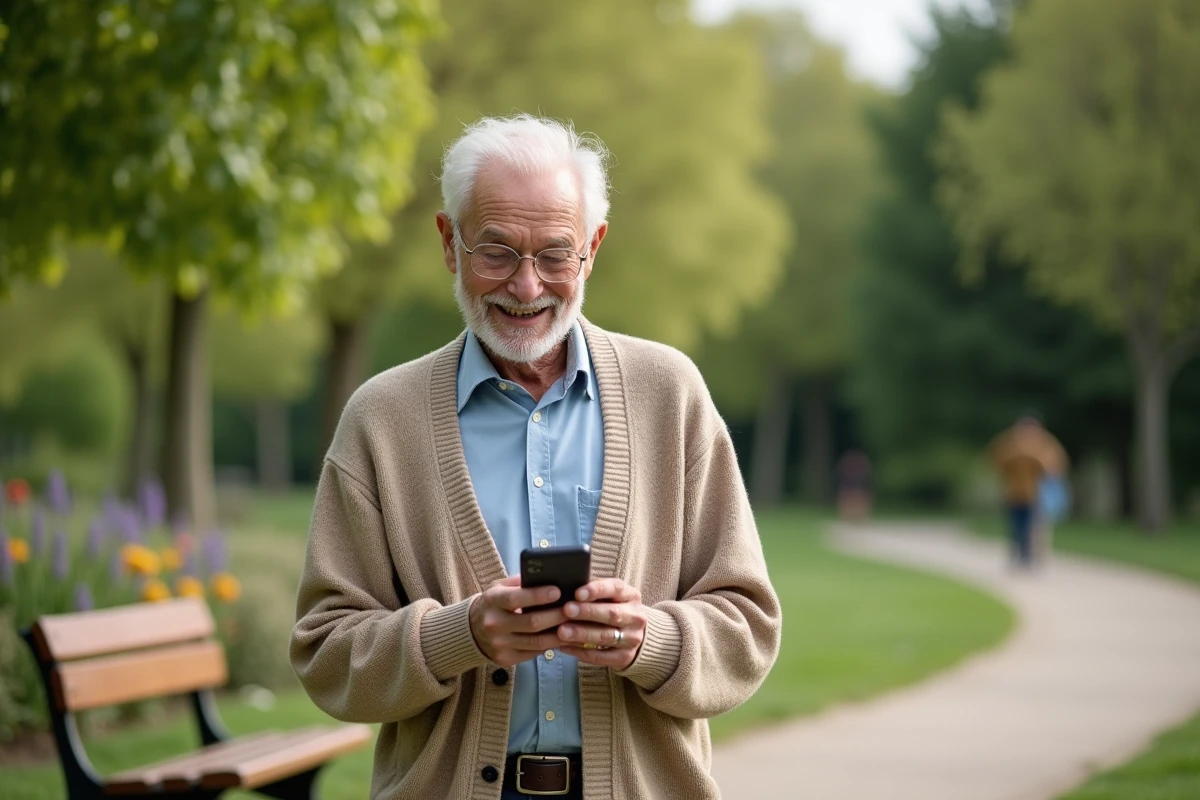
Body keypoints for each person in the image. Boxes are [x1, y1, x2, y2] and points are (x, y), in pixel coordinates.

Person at [290, 115, 782, 800]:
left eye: (555, 254)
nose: (526, 287)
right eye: (495, 251)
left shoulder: (670, 395)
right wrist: (454, 635)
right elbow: (325, 652)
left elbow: (747, 622)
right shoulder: (381, 419)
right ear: (448, 243)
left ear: (593, 248)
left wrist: (650, 641)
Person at [988, 415, 1069, 569]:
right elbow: (998, 462)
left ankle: (1027, 554)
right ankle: (1017, 552)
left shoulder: (1045, 444)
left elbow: (1054, 465)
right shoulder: (1008, 444)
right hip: (1013, 494)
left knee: (1031, 526)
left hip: (1035, 495)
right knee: (1015, 526)